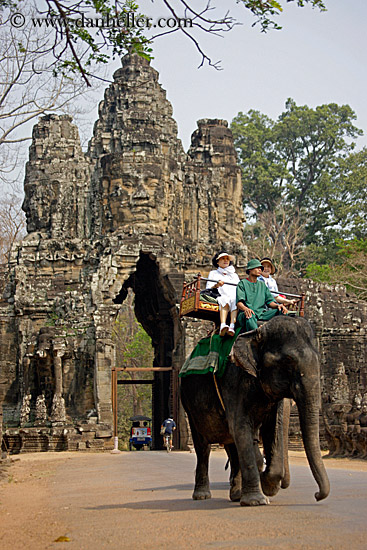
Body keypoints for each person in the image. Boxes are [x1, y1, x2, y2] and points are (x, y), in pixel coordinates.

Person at [236, 258, 288, 332]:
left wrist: (278, 306)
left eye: (260, 268)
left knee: (281, 311)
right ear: (250, 269)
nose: (260, 270)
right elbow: (239, 303)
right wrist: (246, 309)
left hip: (261, 314)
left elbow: (270, 302)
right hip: (247, 314)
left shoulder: (262, 285)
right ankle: (257, 334)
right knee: (250, 315)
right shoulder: (242, 283)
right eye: (257, 268)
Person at [206, 251, 240, 337]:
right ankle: (223, 325)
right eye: (223, 259)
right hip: (220, 295)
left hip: (233, 295)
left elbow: (239, 287)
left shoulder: (234, 275)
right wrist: (217, 285)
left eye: (227, 259)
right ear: (217, 262)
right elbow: (209, 287)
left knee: (234, 299)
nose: (225, 260)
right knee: (224, 299)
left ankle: (232, 325)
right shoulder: (213, 273)